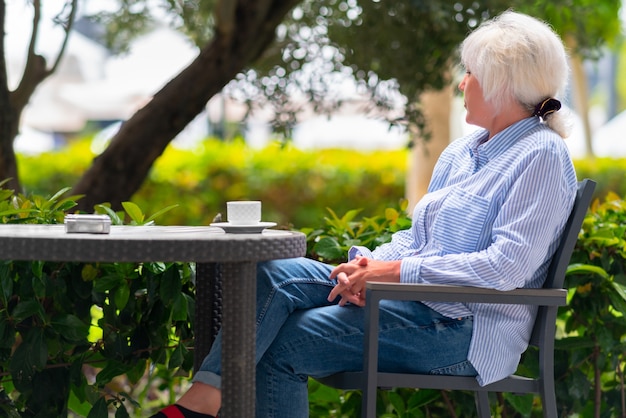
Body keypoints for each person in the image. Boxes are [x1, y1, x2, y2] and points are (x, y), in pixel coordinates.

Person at [151, 10, 577, 418]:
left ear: (501, 84)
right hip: (411, 303)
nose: (462, 83)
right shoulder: (462, 152)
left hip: (462, 328)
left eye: (472, 74)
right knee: (267, 273)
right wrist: (364, 267)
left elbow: (504, 268)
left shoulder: (542, 155)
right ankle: (202, 402)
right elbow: (418, 239)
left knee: (281, 344)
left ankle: (196, 408)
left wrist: (390, 275)